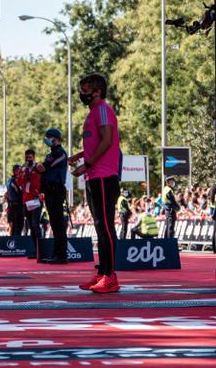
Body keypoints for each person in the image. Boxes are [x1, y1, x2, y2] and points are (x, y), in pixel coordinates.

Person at [70, 73, 124, 294]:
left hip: (103, 175)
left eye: (86, 89)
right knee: (100, 227)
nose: (82, 93)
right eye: (81, 88)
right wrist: (81, 155)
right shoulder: (94, 112)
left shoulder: (102, 109)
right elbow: (99, 142)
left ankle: (110, 276)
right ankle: (102, 272)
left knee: (106, 226)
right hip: (95, 175)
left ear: (97, 91)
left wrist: (88, 163)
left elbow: (108, 139)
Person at [36, 128, 70, 264]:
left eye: (50, 137)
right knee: (55, 224)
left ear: (56, 138)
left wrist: (41, 166)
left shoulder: (60, 153)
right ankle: (57, 254)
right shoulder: (52, 153)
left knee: (58, 224)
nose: (47, 139)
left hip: (56, 190)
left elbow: (44, 167)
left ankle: (61, 255)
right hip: (50, 191)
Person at [20, 148, 42, 259]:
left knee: (35, 224)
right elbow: (19, 182)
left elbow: (42, 179)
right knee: (31, 226)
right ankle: (35, 250)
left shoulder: (38, 167)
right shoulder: (23, 169)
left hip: (36, 199)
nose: (28, 159)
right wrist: (22, 172)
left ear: (33, 157)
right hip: (26, 201)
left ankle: (41, 249)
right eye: (26, 157)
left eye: (30, 157)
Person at [5, 164, 24, 237]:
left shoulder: (10, 180)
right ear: (15, 171)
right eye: (19, 171)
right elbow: (20, 192)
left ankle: (14, 240)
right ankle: (16, 242)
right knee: (18, 226)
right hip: (16, 206)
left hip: (12, 206)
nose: (21, 172)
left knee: (15, 226)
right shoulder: (14, 181)